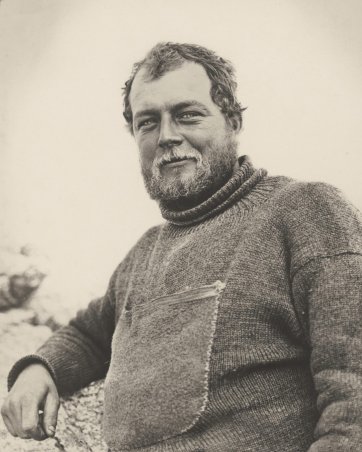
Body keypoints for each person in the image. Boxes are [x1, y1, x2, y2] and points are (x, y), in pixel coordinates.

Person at [2, 42, 362, 452]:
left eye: (188, 115)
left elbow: (354, 391)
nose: (168, 136)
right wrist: (37, 369)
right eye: (148, 122)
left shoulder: (305, 211)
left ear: (232, 121)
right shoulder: (144, 254)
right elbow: (88, 335)